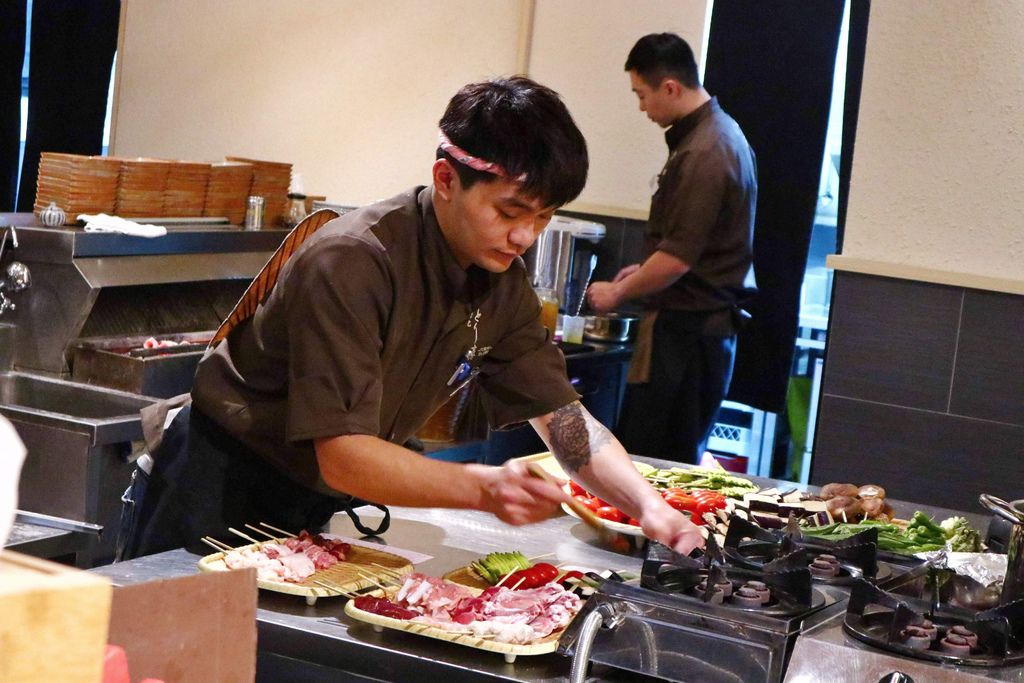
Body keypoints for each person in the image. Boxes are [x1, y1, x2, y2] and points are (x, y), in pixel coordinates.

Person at [128, 76, 703, 559]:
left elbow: (564, 422)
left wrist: (648, 506)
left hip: (317, 500)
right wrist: (483, 487)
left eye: (545, 217)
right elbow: (345, 453)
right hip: (222, 481)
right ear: (447, 179)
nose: (526, 236)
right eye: (510, 211)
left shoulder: (501, 277)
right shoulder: (353, 261)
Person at [587, 33, 757, 464]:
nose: (641, 107)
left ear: (670, 87)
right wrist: (641, 271)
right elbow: (687, 245)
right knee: (653, 457)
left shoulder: (706, 150)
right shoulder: (713, 135)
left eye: (641, 95)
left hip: (689, 339)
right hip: (690, 333)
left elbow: (679, 259)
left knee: (659, 464)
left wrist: (617, 293)